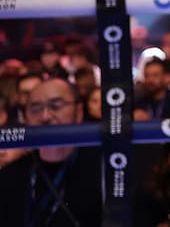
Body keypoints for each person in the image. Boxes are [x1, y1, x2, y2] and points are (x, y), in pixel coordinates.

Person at [0, 77, 104, 226]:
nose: (45, 116)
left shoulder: (104, 170)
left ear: (79, 111)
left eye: (56, 106)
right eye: (35, 108)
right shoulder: (9, 175)